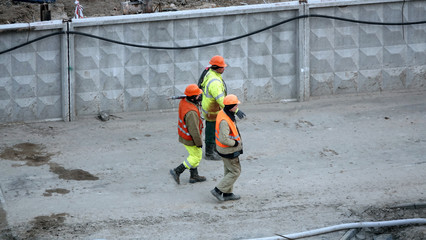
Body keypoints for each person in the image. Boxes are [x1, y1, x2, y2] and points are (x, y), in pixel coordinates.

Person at [200, 55, 246, 160]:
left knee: (213, 129)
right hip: (212, 111)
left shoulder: (210, 73)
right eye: (222, 67)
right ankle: (210, 153)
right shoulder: (215, 83)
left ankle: (214, 149)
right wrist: (235, 110)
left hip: (210, 109)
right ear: (217, 67)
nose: (224, 68)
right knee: (211, 130)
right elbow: (221, 100)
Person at [170, 84, 206, 184]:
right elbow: (194, 130)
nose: (200, 96)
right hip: (190, 139)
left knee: (193, 155)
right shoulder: (191, 113)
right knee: (196, 157)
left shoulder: (184, 101)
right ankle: (177, 171)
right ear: (193, 98)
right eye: (198, 95)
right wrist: (199, 143)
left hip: (184, 136)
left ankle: (194, 176)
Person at [210, 94, 243, 201]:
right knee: (235, 171)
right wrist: (235, 143)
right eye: (236, 105)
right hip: (228, 150)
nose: (237, 107)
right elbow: (224, 139)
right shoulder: (224, 121)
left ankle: (228, 194)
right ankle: (218, 190)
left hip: (223, 150)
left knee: (229, 170)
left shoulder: (223, 113)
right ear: (231, 107)